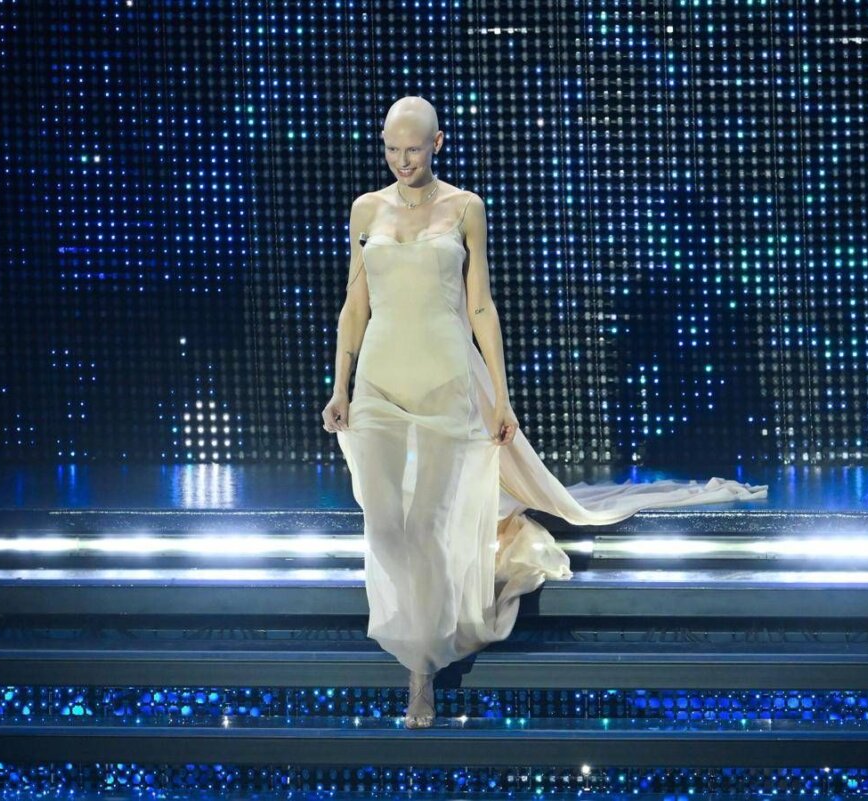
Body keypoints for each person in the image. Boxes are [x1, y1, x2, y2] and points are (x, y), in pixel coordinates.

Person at [322, 96, 767, 729]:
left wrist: (501, 398)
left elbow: (481, 306)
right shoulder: (366, 209)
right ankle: (417, 644)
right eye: (392, 149)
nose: (402, 161)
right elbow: (354, 303)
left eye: (413, 149)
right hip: (378, 386)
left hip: (448, 383)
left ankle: (420, 674)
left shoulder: (466, 207)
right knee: (388, 525)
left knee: (425, 526)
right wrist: (339, 387)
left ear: (438, 143)